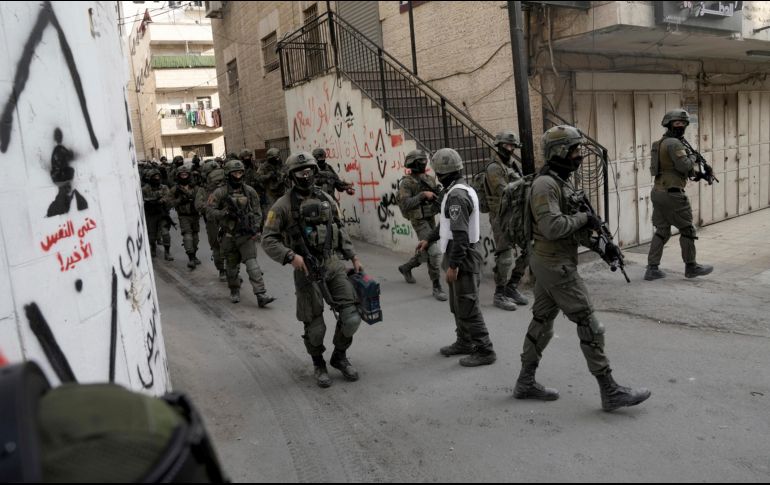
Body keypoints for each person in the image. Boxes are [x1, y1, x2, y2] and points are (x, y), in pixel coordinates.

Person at [511, 125, 650, 411]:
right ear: (560, 151)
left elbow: (572, 226)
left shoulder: (559, 182)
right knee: (589, 323)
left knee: (542, 322)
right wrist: (586, 219)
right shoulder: (545, 185)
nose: (579, 156)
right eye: (574, 150)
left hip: (550, 262)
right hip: (554, 264)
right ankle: (610, 391)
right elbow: (552, 227)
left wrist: (602, 246)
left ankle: (525, 382)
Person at [262, 152, 364, 388]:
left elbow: (339, 228)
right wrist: (290, 256)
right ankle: (319, 364)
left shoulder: (326, 198)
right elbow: (268, 239)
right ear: (291, 176)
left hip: (332, 263)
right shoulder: (282, 206)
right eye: (300, 172)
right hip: (306, 269)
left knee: (351, 317)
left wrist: (353, 256)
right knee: (315, 326)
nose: (305, 175)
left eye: (308, 170)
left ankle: (339, 356)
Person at [417, 148, 496, 367]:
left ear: (442, 173)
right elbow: (447, 224)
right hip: (459, 253)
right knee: (458, 304)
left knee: (468, 305)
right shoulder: (457, 189)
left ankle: (485, 350)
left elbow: (461, 236)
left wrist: (453, 266)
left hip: (463, 256)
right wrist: (429, 239)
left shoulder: (456, 196)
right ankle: (464, 341)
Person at [645, 109, 713, 281]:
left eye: (683, 123)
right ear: (669, 124)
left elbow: (672, 168)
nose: (680, 126)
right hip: (673, 194)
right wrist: (694, 157)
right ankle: (691, 267)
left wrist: (700, 174)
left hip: (658, 192)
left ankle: (652, 269)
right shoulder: (675, 144)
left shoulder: (660, 143)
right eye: (677, 123)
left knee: (662, 231)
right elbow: (684, 166)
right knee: (687, 229)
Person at [207, 160, 274, 307]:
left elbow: (257, 211)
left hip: (246, 236)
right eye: (235, 173)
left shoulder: (249, 191)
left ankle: (261, 294)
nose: (238, 176)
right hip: (229, 236)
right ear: (228, 174)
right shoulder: (220, 192)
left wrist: (255, 229)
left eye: (240, 173)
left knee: (252, 265)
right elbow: (209, 211)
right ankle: (234, 290)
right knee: (231, 268)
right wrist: (224, 213)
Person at [485, 130, 529, 310]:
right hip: (500, 217)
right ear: (499, 146)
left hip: (516, 214)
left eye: (512, 146)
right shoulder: (493, 168)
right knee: (505, 257)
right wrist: (524, 182)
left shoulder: (512, 165)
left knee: (530, 248)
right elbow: (504, 190)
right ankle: (499, 294)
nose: (510, 149)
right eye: (507, 145)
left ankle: (512, 286)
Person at [396, 149, 447, 301]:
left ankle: (406, 267)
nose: (424, 163)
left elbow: (437, 198)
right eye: (421, 161)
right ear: (413, 163)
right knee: (434, 252)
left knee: (426, 249)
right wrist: (423, 195)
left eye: (424, 160)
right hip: (418, 221)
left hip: (430, 218)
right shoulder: (406, 183)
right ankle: (436, 286)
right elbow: (405, 204)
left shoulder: (429, 179)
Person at [196, 158, 227, 281]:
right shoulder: (203, 190)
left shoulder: (226, 187)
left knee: (228, 247)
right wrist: (211, 206)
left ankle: (230, 272)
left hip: (225, 220)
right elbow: (199, 205)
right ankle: (223, 271)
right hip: (214, 221)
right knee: (217, 246)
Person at [167, 166, 204, 270]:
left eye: (186, 174)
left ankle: (194, 255)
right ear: (178, 176)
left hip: (195, 215)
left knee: (195, 238)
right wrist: (179, 200)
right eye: (182, 175)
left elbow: (202, 200)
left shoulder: (195, 188)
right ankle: (191, 258)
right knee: (187, 236)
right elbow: (168, 203)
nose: (184, 176)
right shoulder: (175, 189)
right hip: (184, 216)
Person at [142, 168, 173, 261]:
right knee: (151, 236)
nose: (157, 178)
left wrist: (160, 201)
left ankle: (167, 252)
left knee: (165, 233)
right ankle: (153, 247)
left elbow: (168, 197)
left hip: (162, 213)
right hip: (151, 215)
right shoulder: (145, 189)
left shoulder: (164, 187)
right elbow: (143, 200)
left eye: (158, 176)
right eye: (154, 177)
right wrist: (151, 201)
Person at [256, 148, 290, 222]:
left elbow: (287, 173)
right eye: (274, 158)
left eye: (277, 157)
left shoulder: (281, 165)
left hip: (282, 190)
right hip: (270, 193)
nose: (276, 159)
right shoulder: (264, 166)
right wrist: (268, 176)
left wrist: (280, 175)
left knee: (285, 208)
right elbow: (258, 178)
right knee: (272, 212)